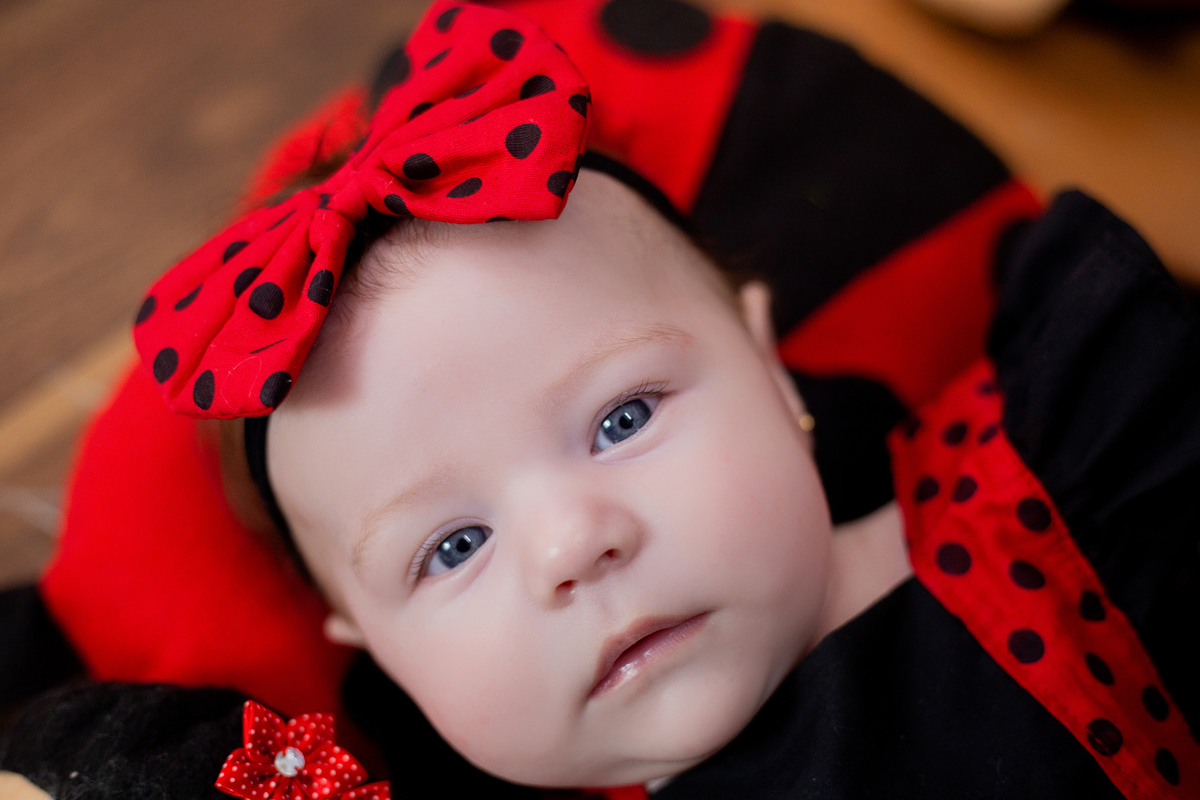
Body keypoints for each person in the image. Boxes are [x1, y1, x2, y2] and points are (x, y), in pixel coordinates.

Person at [2, 1, 1196, 798]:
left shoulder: (1059, 479)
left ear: (770, 367)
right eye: (452, 546)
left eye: (624, 419)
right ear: (375, 651)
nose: (574, 545)